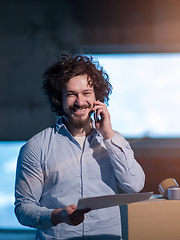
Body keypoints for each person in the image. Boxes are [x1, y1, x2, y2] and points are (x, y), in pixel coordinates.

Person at [14, 54, 145, 240]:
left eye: (86, 93)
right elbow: (23, 209)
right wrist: (58, 215)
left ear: (97, 97)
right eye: (71, 94)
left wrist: (108, 135)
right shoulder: (36, 147)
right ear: (58, 98)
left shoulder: (113, 140)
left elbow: (134, 186)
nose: (80, 102)